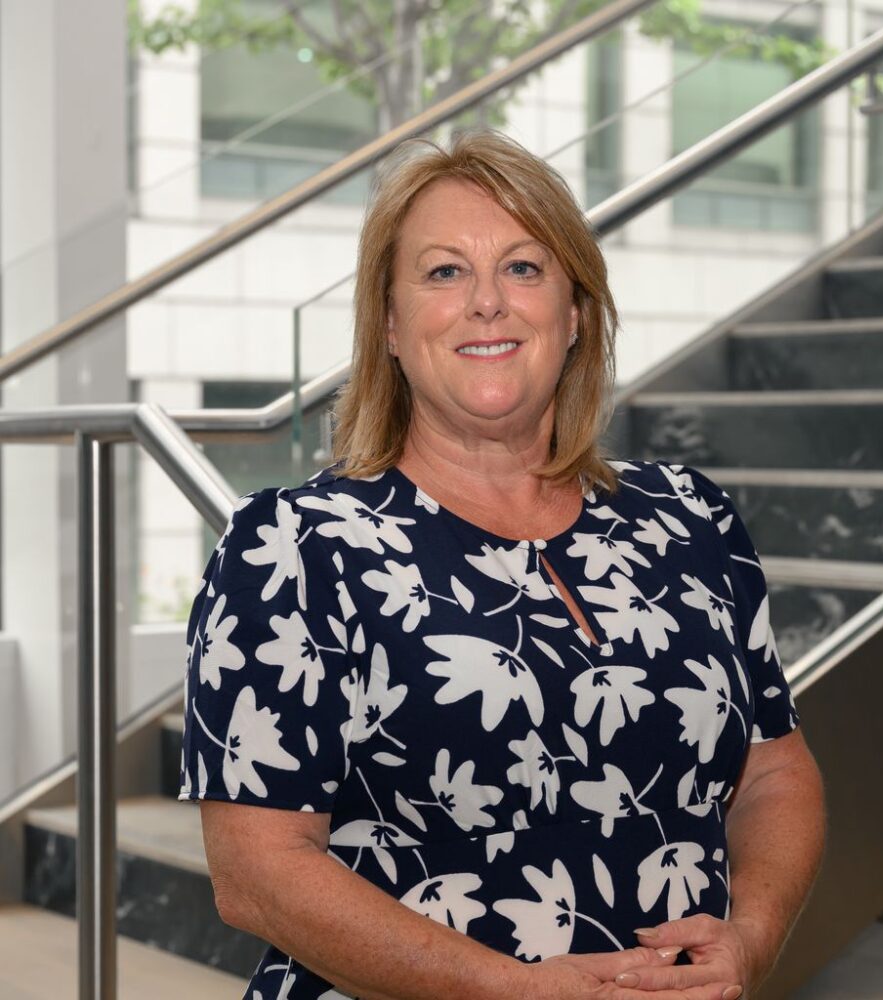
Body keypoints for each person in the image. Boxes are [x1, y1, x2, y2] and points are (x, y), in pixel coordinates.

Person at [180, 129, 825, 1000]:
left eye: (523, 268)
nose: (488, 302)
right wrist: (508, 989)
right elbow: (255, 873)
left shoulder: (690, 519)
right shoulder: (294, 548)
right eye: (445, 272)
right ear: (392, 325)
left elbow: (774, 770)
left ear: (576, 315)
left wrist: (752, 935)